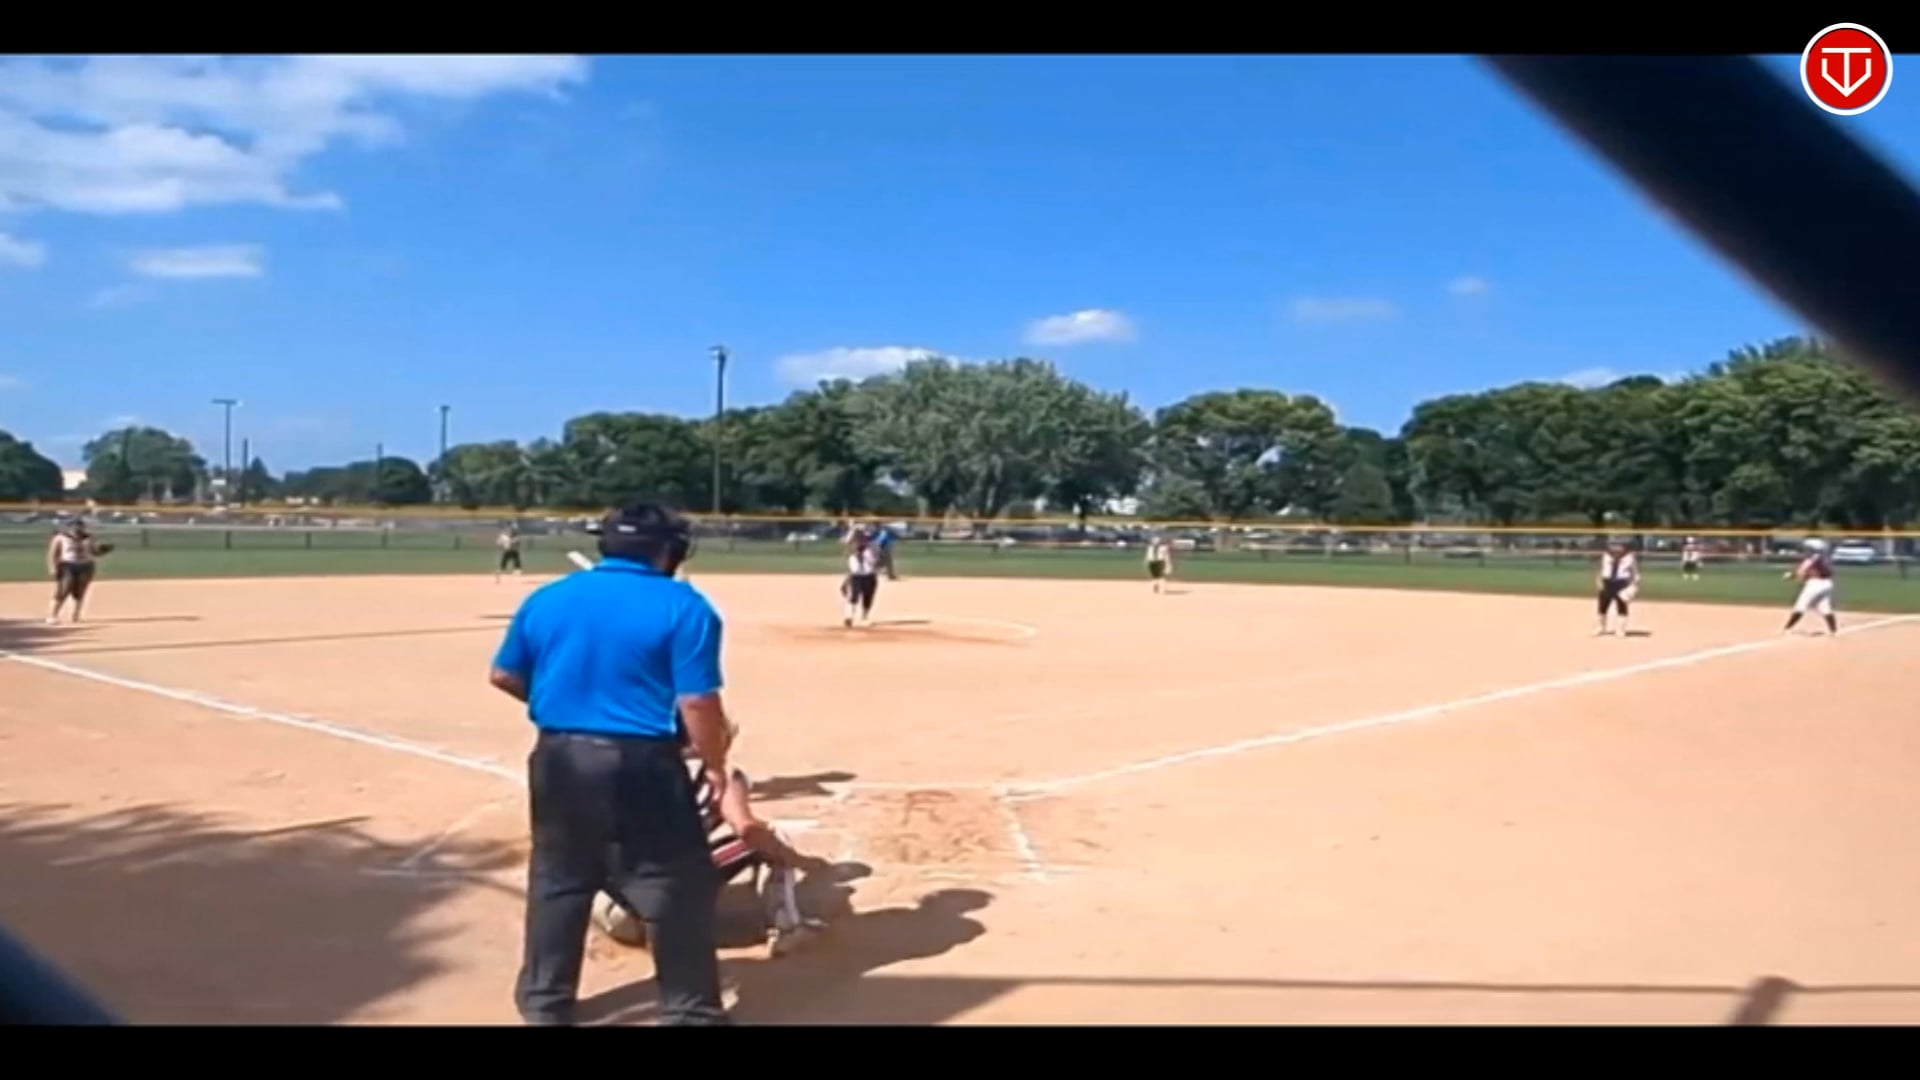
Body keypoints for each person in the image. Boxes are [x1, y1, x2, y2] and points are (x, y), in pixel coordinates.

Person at [488, 502, 734, 1026]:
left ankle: (545, 1005)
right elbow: (697, 702)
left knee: (560, 877)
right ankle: (690, 1012)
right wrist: (714, 764)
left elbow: (504, 675)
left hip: (559, 756)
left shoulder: (549, 597)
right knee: (675, 882)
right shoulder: (684, 605)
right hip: (641, 762)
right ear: (670, 550)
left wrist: (561, 705)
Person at [592, 723, 826, 958]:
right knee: (770, 838)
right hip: (665, 902)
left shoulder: (635, 768)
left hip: (614, 910)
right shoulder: (721, 776)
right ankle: (788, 928)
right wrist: (798, 860)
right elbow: (748, 831)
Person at [45, 520, 109, 625]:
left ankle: (75, 615)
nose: (77, 529)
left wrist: (102, 550)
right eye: (74, 527)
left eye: (80, 527)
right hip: (67, 565)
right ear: (69, 527)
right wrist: (52, 567)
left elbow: (93, 552)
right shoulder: (61, 537)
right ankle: (52, 615)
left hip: (86, 565)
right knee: (64, 589)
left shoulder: (89, 537)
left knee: (80, 590)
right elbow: (52, 554)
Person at [1782, 538, 1839, 636]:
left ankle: (1787, 628)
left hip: (1815, 584)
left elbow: (1801, 572)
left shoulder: (1812, 559)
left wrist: (1790, 576)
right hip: (1827, 583)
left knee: (1800, 605)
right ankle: (1834, 631)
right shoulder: (1824, 558)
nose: (1806, 550)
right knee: (1824, 607)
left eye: (1808, 548)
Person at [1594, 539, 1640, 636]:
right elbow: (1602, 569)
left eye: (1618, 546)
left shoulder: (1629, 557)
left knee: (1622, 606)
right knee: (1602, 606)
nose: (1616, 548)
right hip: (1607, 581)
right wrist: (1599, 581)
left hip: (1621, 582)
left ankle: (1620, 630)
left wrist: (1634, 584)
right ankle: (1601, 627)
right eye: (1613, 546)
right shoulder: (1606, 555)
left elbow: (1634, 572)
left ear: (1624, 547)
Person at [841, 530, 881, 628]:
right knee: (853, 597)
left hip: (869, 575)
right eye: (857, 539)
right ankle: (849, 617)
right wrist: (846, 581)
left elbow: (876, 562)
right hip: (856, 576)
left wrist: (865, 553)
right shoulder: (852, 551)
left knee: (868, 597)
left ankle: (864, 616)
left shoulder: (872, 548)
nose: (860, 541)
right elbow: (852, 569)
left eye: (862, 539)